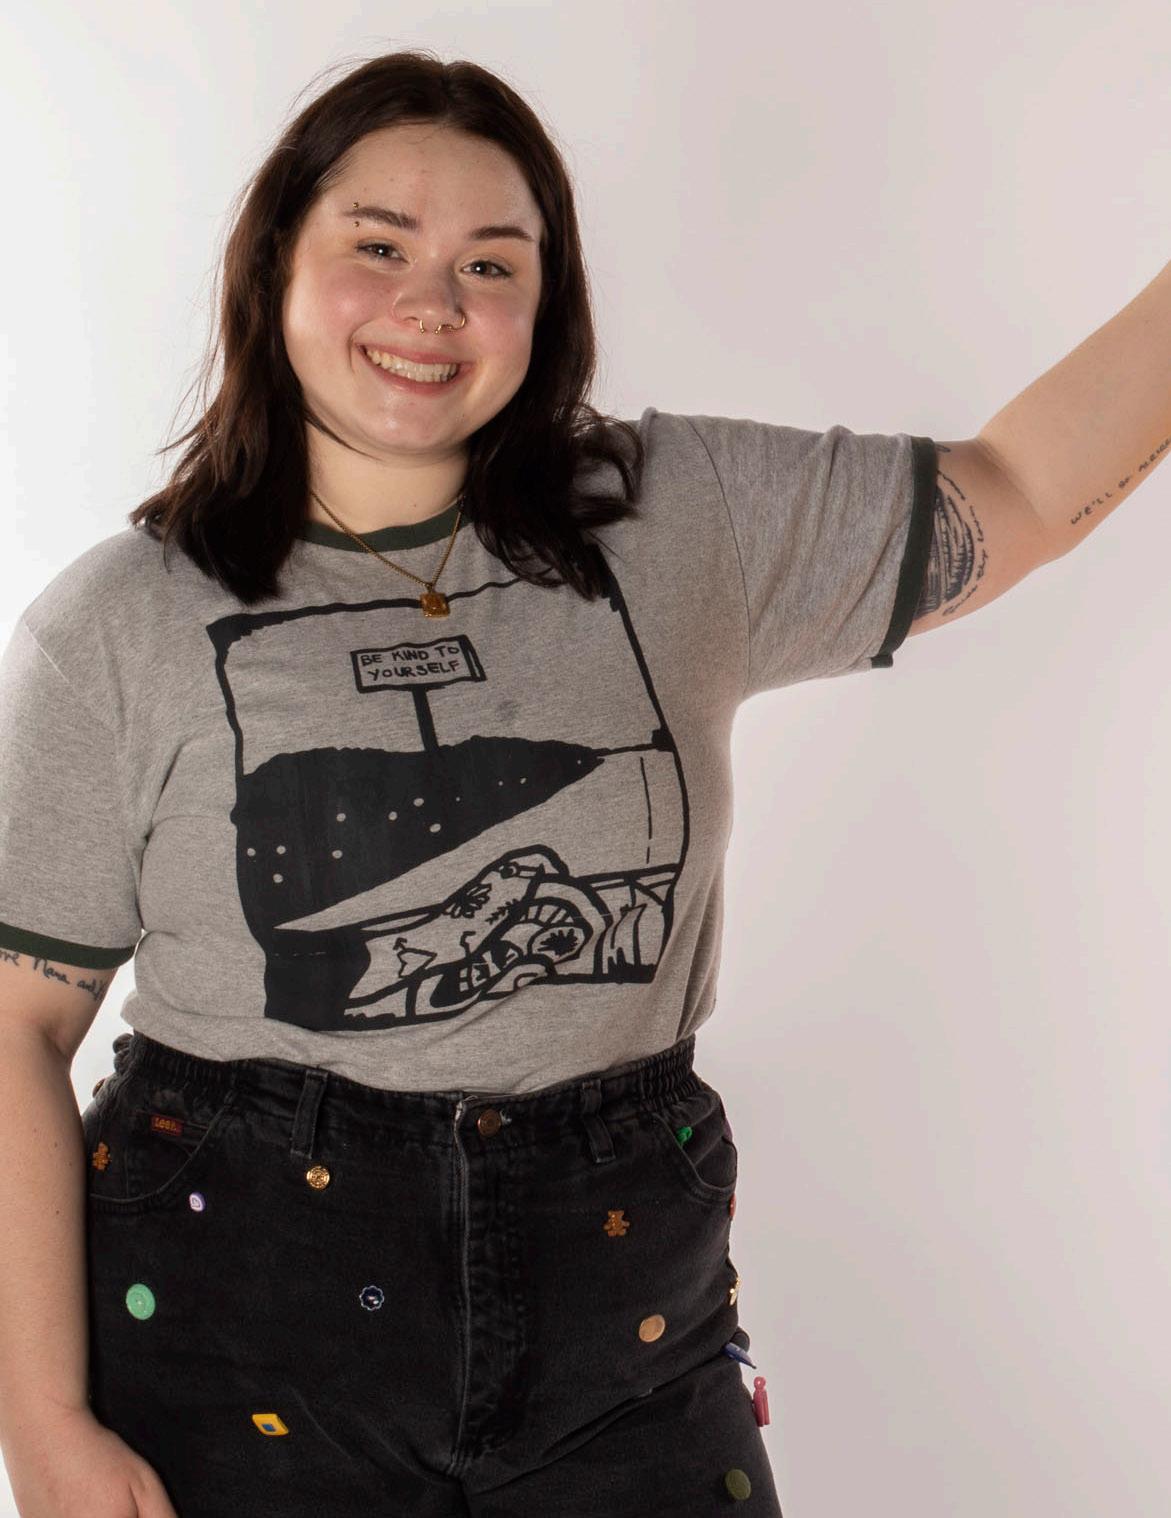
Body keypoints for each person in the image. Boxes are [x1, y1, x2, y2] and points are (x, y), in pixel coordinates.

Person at [8, 42, 1139, 1518]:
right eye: (378, 245)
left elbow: (1025, 491)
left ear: (545, 308)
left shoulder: (676, 522)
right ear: (274, 262)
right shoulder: (122, 622)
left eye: (491, 264)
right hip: (233, 1309)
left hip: (628, 1318)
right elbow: (17, 1026)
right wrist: (43, 1424)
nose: (433, 303)